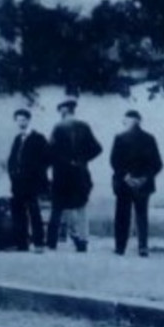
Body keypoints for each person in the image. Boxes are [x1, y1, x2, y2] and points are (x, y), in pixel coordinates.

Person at [48, 99, 104, 252]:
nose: (60, 113)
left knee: (58, 207)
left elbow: (50, 151)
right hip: (80, 173)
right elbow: (98, 148)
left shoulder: (58, 128)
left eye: (61, 110)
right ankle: (83, 240)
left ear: (64, 111)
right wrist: (81, 160)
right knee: (80, 206)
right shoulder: (84, 127)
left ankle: (52, 242)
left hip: (61, 174)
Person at [111, 110, 163, 257]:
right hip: (143, 184)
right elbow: (157, 164)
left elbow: (114, 161)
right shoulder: (149, 139)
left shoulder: (120, 138)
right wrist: (144, 178)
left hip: (124, 184)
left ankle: (120, 247)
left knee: (122, 215)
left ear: (133, 121)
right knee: (142, 215)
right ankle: (143, 247)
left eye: (126, 120)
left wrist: (126, 177)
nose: (124, 123)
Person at [5, 108, 50, 251]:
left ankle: (38, 243)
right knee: (18, 212)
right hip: (18, 182)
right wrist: (12, 173)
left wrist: (37, 174)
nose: (21, 123)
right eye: (18, 120)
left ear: (29, 120)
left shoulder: (38, 138)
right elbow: (12, 159)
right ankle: (21, 243)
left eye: (23, 120)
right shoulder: (17, 139)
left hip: (32, 182)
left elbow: (46, 159)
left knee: (34, 211)